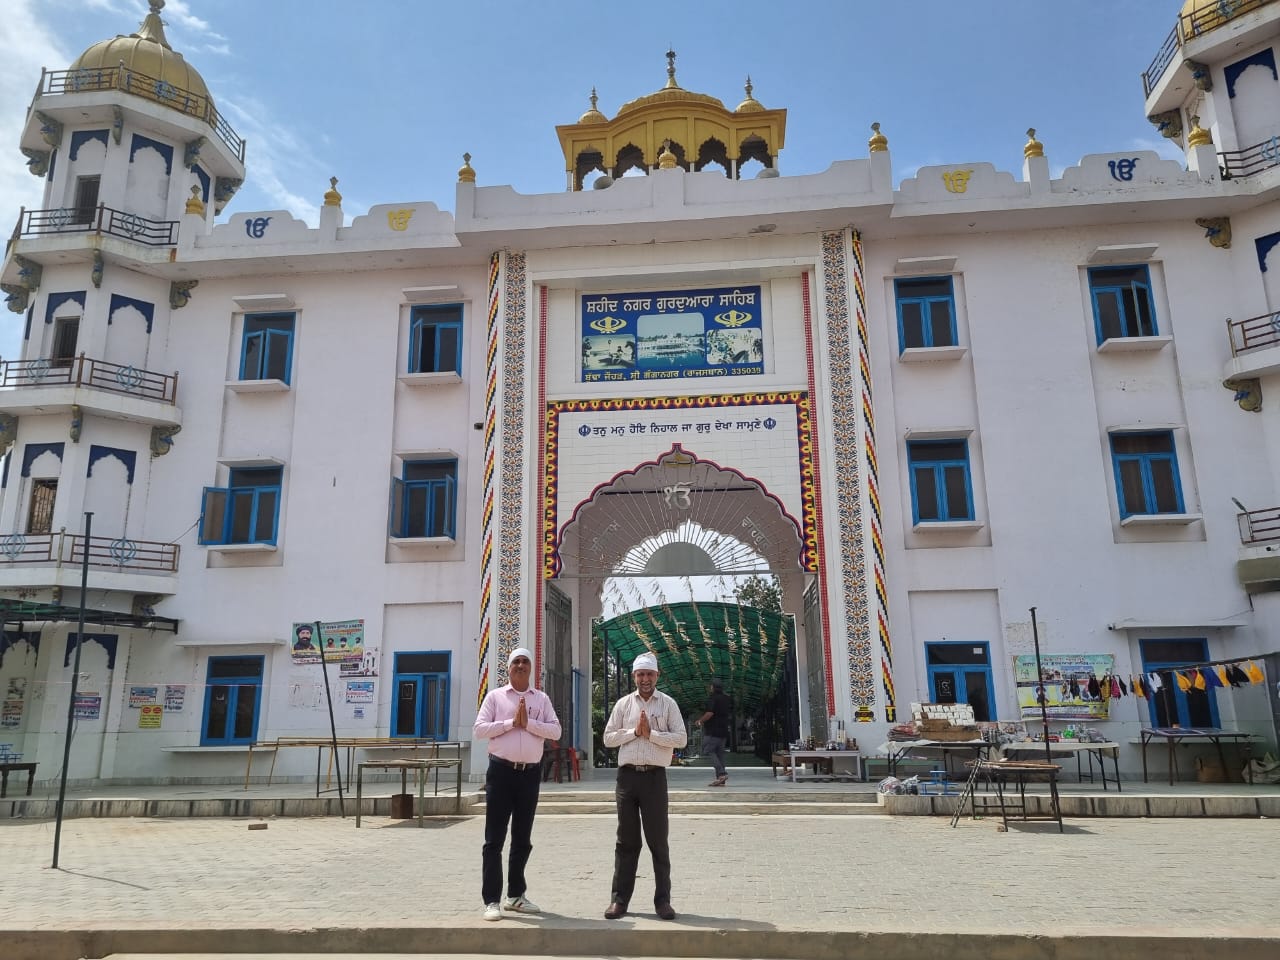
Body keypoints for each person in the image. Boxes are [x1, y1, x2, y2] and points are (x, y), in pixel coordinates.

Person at [472, 646, 562, 922]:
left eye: (525, 662)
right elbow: (479, 730)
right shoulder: (495, 697)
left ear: (531, 668)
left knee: (522, 838)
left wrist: (530, 723)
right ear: (508, 668)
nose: (521, 666)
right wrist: (512, 722)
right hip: (501, 773)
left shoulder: (541, 699)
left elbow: (555, 731)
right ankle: (491, 900)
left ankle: (515, 896)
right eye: (516, 662)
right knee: (494, 839)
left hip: (529, 775)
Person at [602, 651, 687, 921]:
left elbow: (681, 739)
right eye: (641, 674)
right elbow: (608, 738)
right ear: (634, 676)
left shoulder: (668, 704)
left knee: (658, 841)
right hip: (627, 779)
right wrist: (634, 733)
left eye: (650, 674)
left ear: (657, 676)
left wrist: (652, 735)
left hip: (654, 778)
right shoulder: (624, 705)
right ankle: (619, 900)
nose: (645, 679)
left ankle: (663, 901)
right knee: (626, 841)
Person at [694, 678, 731, 786]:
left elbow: (710, 713)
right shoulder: (727, 698)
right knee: (720, 754)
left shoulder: (713, 698)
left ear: (713, 687)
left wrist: (700, 721)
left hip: (713, 731)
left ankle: (722, 773)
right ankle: (721, 778)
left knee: (708, 750)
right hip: (724, 731)